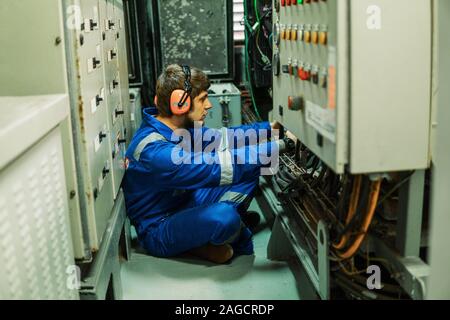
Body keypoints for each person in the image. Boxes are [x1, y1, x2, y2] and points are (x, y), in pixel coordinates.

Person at [123, 64, 288, 264]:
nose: (209, 105)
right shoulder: (155, 152)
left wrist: (270, 129)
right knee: (225, 216)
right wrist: (283, 145)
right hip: (160, 227)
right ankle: (219, 232)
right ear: (180, 105)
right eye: (202, 99)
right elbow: (216, 167)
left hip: (186, 200)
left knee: (250, 169)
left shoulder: (179, 128)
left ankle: (207, 235)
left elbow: (224, 138)